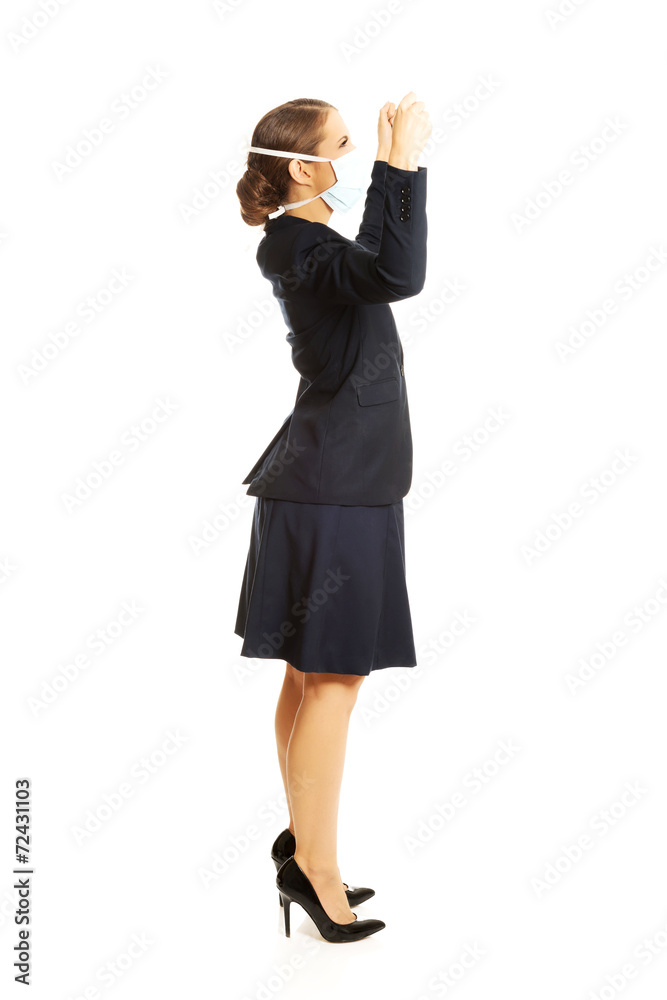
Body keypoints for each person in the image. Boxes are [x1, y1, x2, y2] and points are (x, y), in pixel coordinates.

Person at [234, 92, 431, 943]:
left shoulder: (304, 241)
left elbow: (376, 266)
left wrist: (385, 165)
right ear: (306, 169)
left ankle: (301, 849)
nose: (354, 159)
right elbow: (398, 274)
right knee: (334, 679)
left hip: (335, 479)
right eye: (343, 149)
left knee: (309, 675)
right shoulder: (298, 245)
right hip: (333, 485)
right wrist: (402, 165)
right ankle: (314, 869)